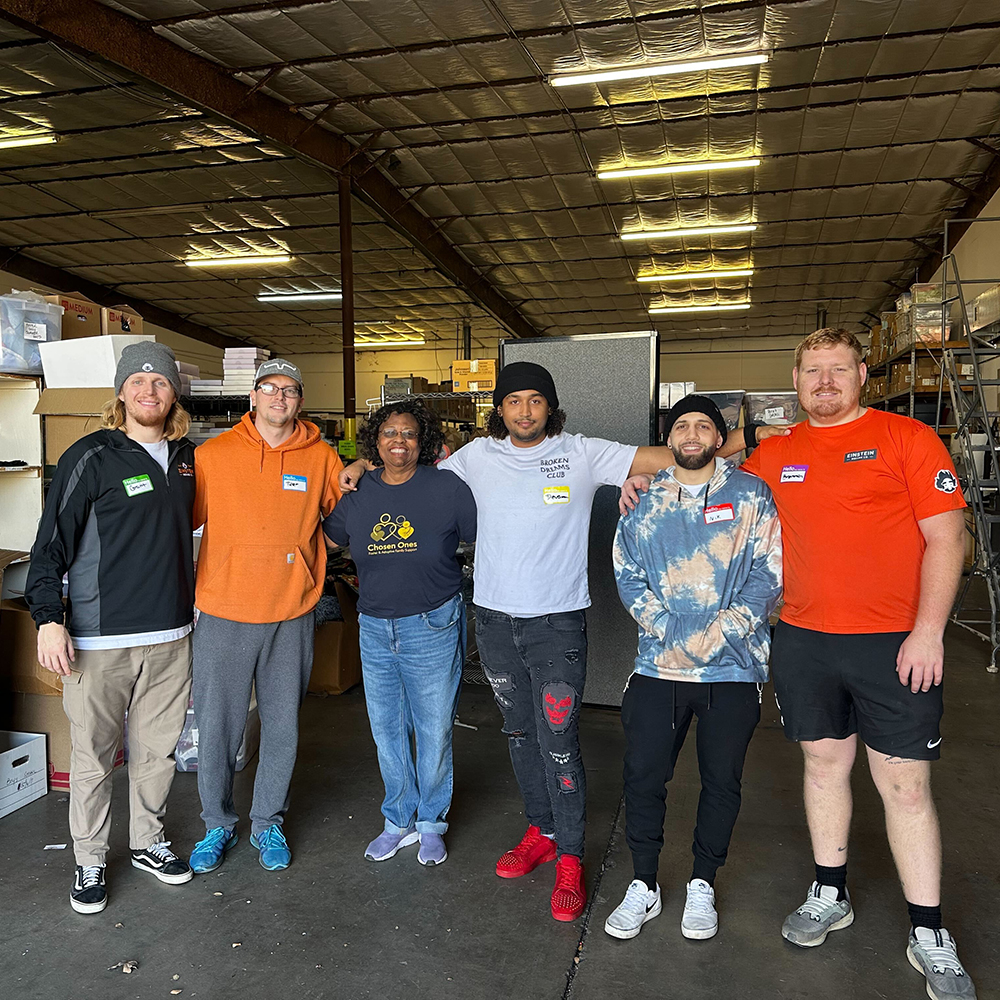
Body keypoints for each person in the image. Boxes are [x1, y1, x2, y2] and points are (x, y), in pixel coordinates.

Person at [340, 361, 777, 922]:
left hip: (557, 624)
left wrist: (754, 436)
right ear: (500, 408)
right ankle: (540, 831)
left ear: (551, 407)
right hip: (495, 621)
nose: (525, 410)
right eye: (514, 400)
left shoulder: (582, 452)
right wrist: (359, 463)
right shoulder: (474, 458)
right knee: (520, 732)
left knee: (560, 739)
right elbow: (407, 464)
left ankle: (571, 854)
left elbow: (679, 452)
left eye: (535, 400)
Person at [621, 329, 974, 998]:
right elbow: (697, 469)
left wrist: (929, 632)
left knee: (904, 786)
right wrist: (646, 480)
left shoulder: (907, 440)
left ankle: (928, 930)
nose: (824, 381)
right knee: (822, 767)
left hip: (894, 642)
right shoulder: (775, 453)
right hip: (805, 641)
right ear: (796, 379)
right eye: (812, 371)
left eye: (838, 369)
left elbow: (947, 538)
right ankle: (829, 890)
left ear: (862, 374)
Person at [26, 342, 197, 914]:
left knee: (157, 753)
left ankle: (148, 841)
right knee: (94, 757)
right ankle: (90, 859)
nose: (149, 390)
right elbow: (49, 545)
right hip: (99, 639)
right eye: (138, 380)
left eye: (161, 381)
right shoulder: (90, 456)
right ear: (121, 392)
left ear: (174, 393)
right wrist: (50, 620)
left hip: (172, 636)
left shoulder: (188, 459)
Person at [606, 395, 782, 942]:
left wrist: (721, 630)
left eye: (702, 425)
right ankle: (644, 884)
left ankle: (703, 881)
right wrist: (667, 627)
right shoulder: (643, 498)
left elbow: (770, 571)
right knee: (643, 778)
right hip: (658, 668)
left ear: (717, 436)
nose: (690, 434)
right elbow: (626, 570)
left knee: (721, 782)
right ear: (670, 436)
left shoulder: (752, 494)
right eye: (680, 425)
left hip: (732, 671)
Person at [188, 359, 343, 874]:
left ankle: (267, 821)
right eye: (269, 389)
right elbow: (180, 519)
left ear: (300, 401)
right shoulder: (212, 455)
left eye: (290, 390)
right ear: (252, 397)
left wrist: (362, 468)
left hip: (291, 610)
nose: (280, 397)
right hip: (224, 609)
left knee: (282, 725)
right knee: (218, 727)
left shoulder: (321, 456)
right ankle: (216, 823)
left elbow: (346, 513)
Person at [323, 400, 476, 866]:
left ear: (422, 442)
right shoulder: (359, 491)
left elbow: (483, 538)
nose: (398, 442)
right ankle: (398, 820)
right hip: (373, 625)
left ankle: (431, 822)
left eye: (408, 434)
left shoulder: (448, 487)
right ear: (376, 442)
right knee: (387, 730)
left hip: (431, 621)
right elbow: (328, 541)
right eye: (389, 433)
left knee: (432, 730)